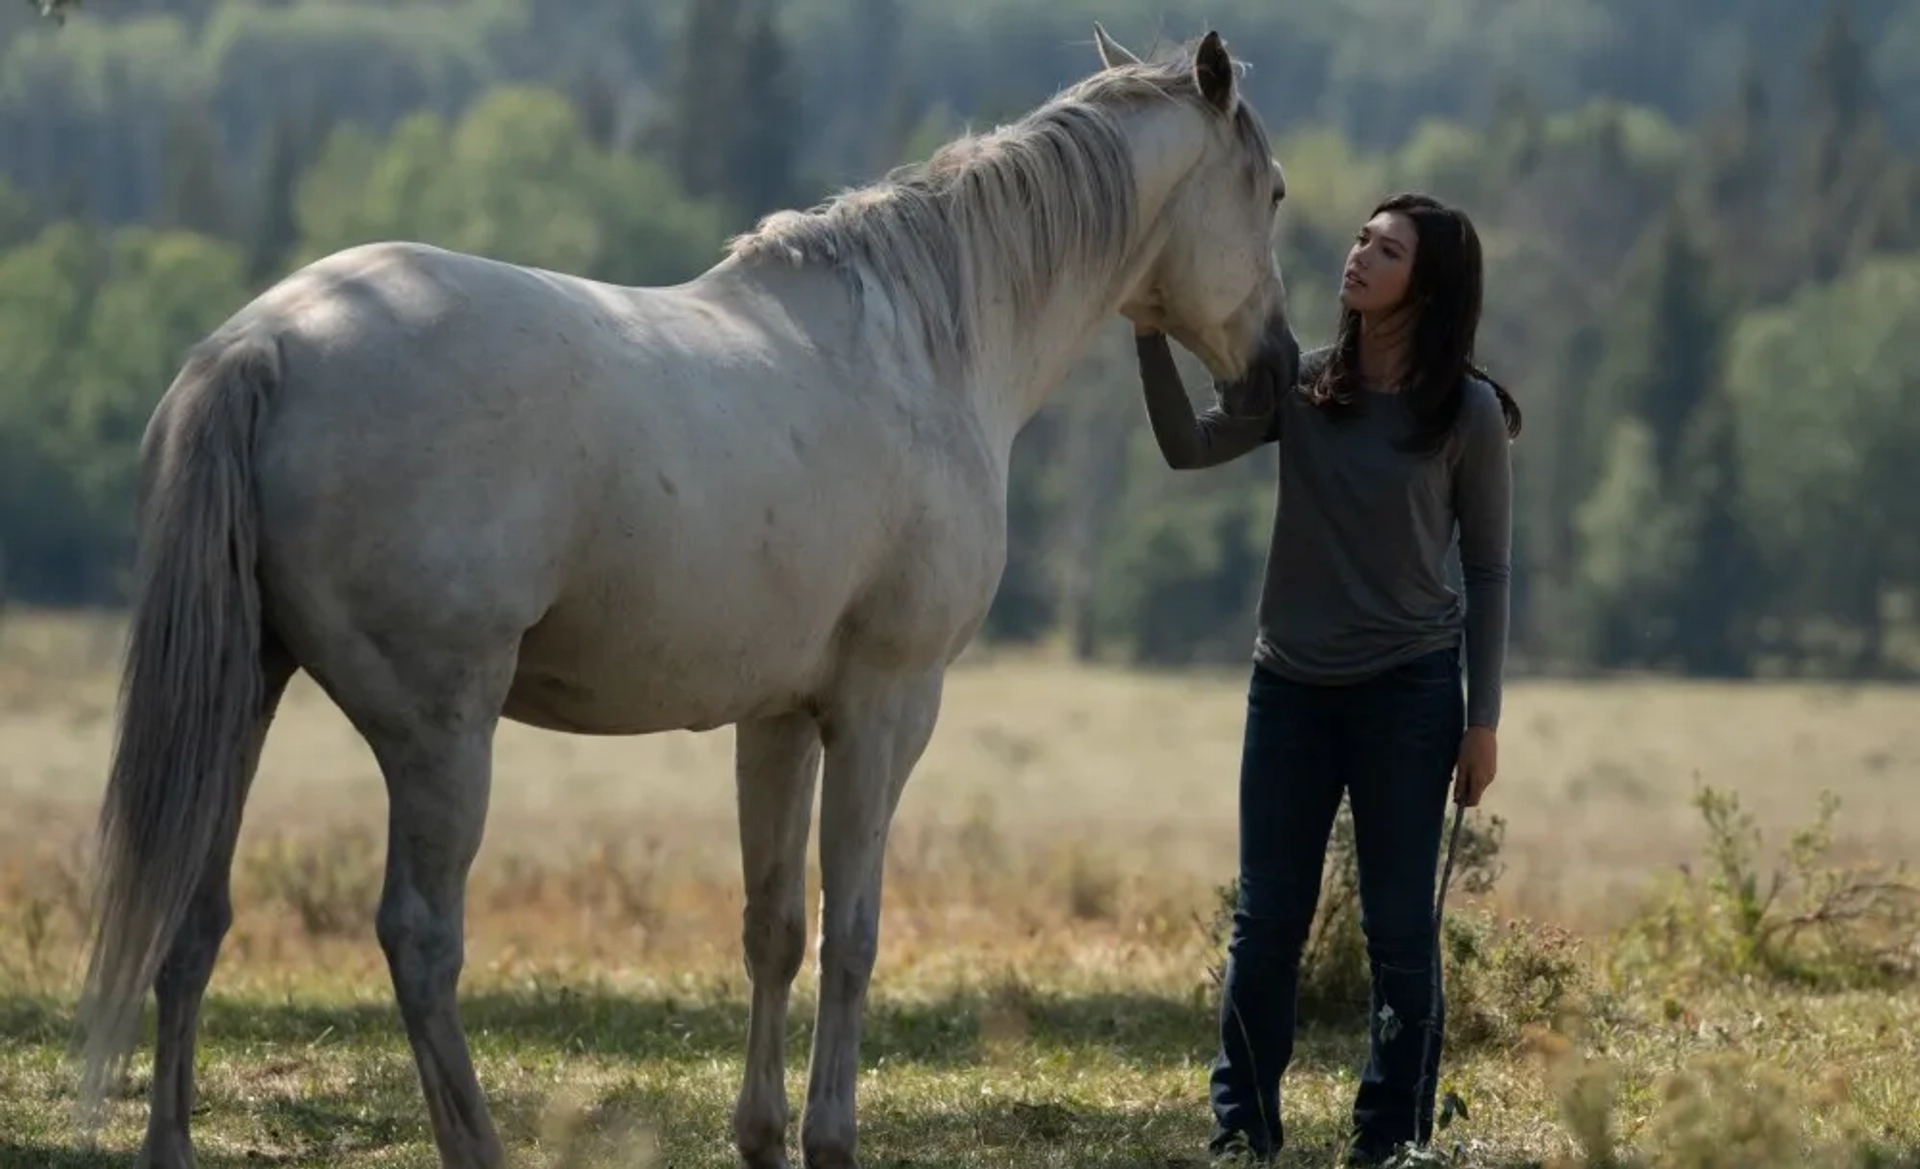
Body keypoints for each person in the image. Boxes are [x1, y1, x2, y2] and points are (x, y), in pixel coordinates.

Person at [1130, 191, 1521, 1165]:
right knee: (1266, 921)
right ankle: (1242, 1128)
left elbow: (1488, 569)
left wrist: (1485, 720)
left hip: (1409, 693)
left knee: (1398, 928)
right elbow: (1187, 446)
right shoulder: (1302, 388)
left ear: (1424, 287)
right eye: (1361, 238)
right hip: (1291, 692)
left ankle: (1390, 1137)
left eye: (1386, 250)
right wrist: (1147, 332)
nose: (1358, 256)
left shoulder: (1465, 411)